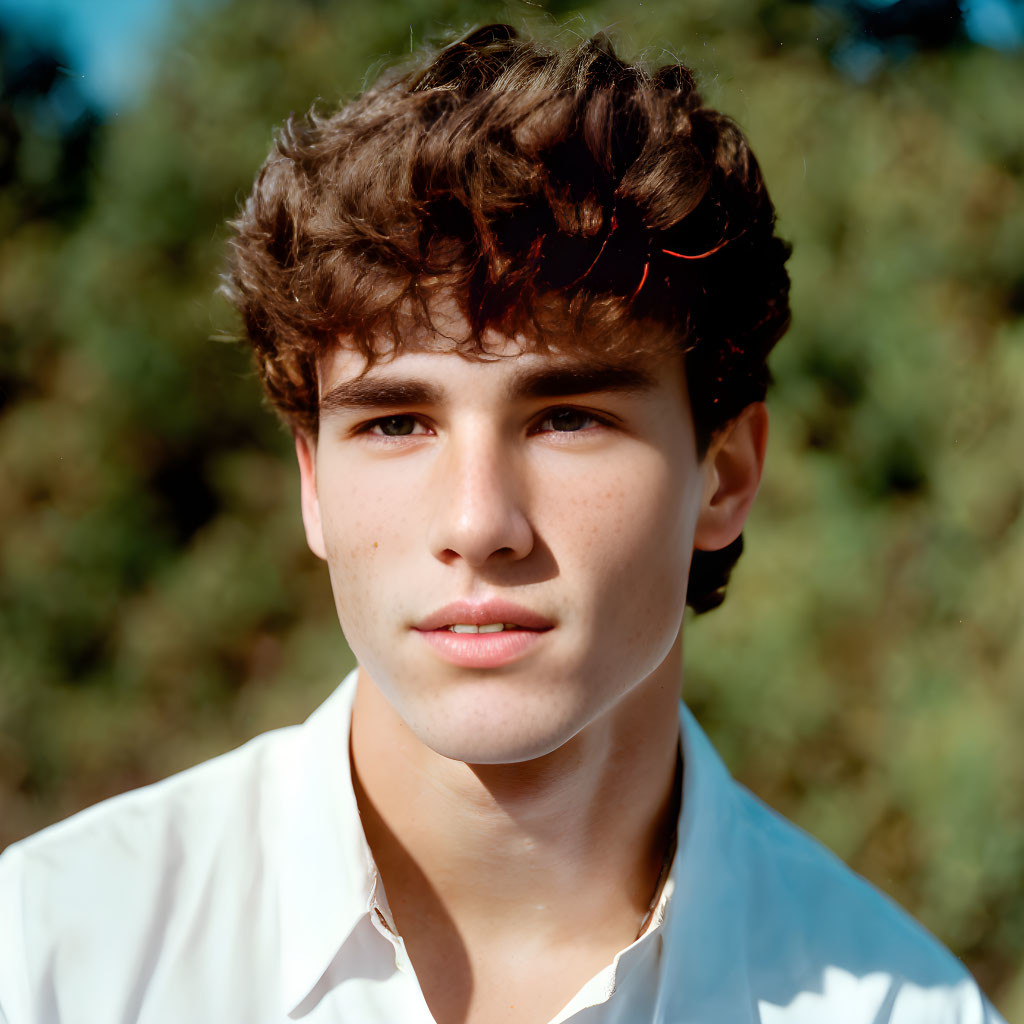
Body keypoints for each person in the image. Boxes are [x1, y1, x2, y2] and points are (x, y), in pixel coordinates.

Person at [0, 23, 1007, 1024]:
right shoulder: (48, 957)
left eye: (568, 417)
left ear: (726, 475)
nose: (479, 523)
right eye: (396, 421)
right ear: (313, 484)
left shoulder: (896, 1006)